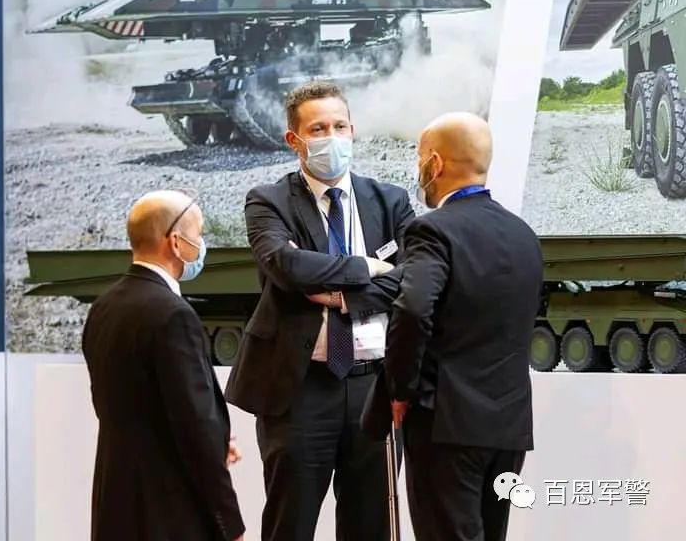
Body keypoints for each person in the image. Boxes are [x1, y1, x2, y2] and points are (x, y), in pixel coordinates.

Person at [224, 80, 415, 541]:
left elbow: (415, 276)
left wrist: (344, 295)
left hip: (373, 386)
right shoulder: (268, 201)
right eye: (318, 129)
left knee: (370, 526)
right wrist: (368, 267)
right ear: (294, 140)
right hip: (298, 389)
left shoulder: (390, 200)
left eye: (339, 126)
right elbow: (286, 266)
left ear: (353, 129)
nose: (332, 137)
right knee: (290, 524)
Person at [367, 111, 543, 541]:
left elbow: (412, 309)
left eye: (419, 158)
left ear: (435, 163)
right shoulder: (523, 233)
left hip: (446, 422)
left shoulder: (432, 230)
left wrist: (399, 389)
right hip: (508, 425)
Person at [82, 190, 245, 541]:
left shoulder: (104, 307)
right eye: (199, 233)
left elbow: (125, 406)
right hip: (169, 511)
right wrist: (230, 524)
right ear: (175, 242)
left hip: (115, 503)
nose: (201, 243)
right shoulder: (173, 315)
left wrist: (216, 440)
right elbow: (194, 423)